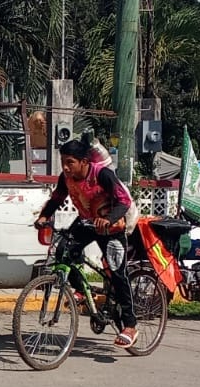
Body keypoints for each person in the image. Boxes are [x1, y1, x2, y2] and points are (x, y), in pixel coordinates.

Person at [34, 139, 139, 348]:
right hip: (86, 222)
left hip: (112, 227)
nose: (65, 167)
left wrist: (108, 219)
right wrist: (44, 217)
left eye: (70, 162)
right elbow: (56, 199)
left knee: (117, 274)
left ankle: (130, 325)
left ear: (84, 162)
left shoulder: (102, 174)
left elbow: (124, 201)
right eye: (63, 161)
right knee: (64, 251)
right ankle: (81, 291)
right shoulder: (66, 177)